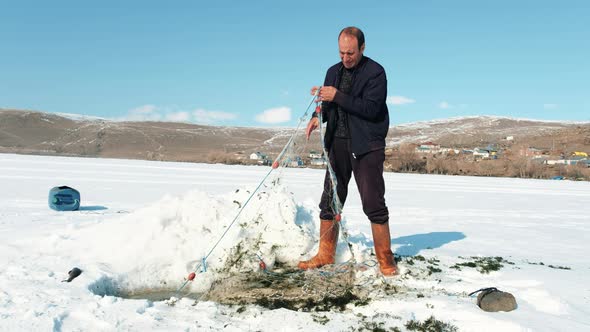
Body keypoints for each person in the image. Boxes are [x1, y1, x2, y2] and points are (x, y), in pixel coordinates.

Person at [297, 27, 397, 276]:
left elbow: (371, 109)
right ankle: (325, 254)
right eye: (341, 53)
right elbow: (328, 103)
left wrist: (338, 96)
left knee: (373, 202)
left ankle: (385, 259)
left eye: (350, 53)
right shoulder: (333, 71)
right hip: (338, 144)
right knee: (330, 199)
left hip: (366, 146)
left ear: (362, 48)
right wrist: (317, 115)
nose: (346, 58)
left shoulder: (376, 73)